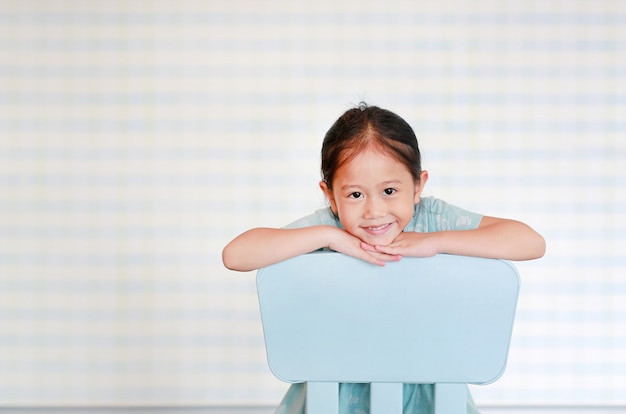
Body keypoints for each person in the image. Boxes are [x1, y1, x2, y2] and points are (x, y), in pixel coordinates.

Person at [222, 103, 546, 413]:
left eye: (389, 191)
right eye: (355, 194)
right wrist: (329, 236)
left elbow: (530, 242)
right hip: (335, 388)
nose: (374, 211)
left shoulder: (432, 217)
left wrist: (436, 242)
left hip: (431, 386)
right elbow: (236, 254)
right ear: (330, 196)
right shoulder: (330, 225)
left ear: (418, 186)